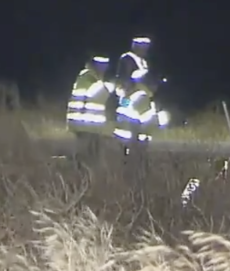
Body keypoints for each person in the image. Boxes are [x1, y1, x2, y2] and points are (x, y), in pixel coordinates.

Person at [113, 36, 166, 177]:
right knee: (133, 151)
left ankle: (133, 169)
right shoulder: (128, 59)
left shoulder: (142, 62)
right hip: (133, 106)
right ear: (137, 46)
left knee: (134, 147)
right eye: (143, 46)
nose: (146, 50)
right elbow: (124, 81)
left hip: (133, 106)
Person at [66, 55, 115, 162]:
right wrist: (110, 86)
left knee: (92, 153)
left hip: (89, 124)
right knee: (84, 154)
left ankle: (86, 173)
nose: (104, 69)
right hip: (84, 122)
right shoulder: (87, 76)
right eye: (102, 65)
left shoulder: (93, 78)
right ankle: (79, 172)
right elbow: (96, 94)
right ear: (96, 65)